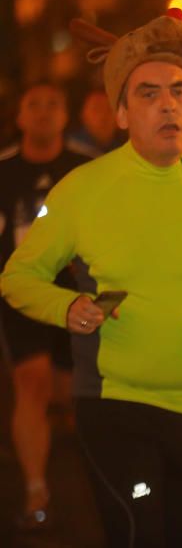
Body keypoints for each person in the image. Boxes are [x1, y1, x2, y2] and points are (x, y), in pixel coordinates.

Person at [1, 10, 182, 548]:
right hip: (116, 410)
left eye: (178, 92)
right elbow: (19, 275)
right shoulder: (82, 190)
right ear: (123, 114)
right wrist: (67, 308)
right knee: (139, 530)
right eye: (148, 94)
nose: (167, 104)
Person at [0, 83, 92, 530]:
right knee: (31, 384)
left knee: (66, 390)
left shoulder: (86, 171)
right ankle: (37, 491)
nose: (42, 112)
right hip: (22, 295)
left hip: (76, 297)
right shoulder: (3, 171)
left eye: (52, 104)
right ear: (19, 118)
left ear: (65, 115)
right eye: (32, 104)